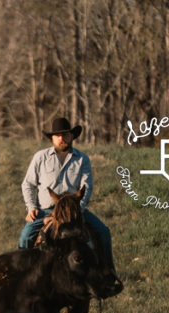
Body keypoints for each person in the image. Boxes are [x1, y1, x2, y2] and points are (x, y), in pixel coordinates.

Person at [20, 116, 116, 275]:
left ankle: (108, 273)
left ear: (72, 136)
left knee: (103, 232)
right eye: (58, 135)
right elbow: (28, 184)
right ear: (52, 138)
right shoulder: (40, 157)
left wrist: (78, 208)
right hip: (45, 210)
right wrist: (31, 208)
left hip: (74, 211)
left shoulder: (82, 159)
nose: (62, 138)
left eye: (65, 135)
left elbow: (87, 187)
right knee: (25, 237)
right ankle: (22, 277)